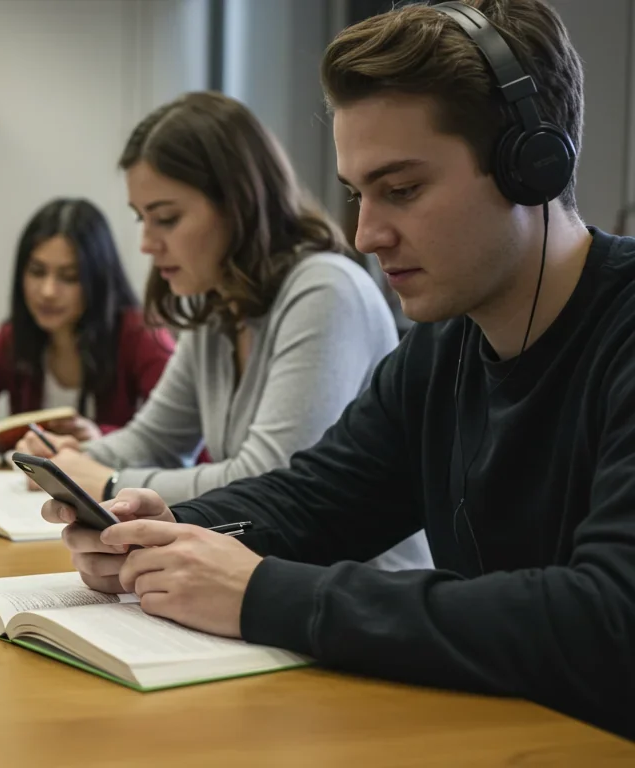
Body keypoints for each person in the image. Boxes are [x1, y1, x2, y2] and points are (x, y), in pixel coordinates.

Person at [45, 0, 635, 739]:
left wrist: (261, 593)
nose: (366, 233)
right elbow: (319, 498)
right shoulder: (442, 347)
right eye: (359, 194)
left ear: (532, 164)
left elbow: (609, 622)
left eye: (404, 189)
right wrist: (164, 533)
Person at [15, 93, 428, 570]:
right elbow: (155, 437)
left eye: (166, 218)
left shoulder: (326, 289)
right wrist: (70, 460)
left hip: (356, 595)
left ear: (239, 205)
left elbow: (268, 478)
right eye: (141, 218)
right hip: (266, 575)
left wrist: (106, 482)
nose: (147, 244)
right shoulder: (216, 303)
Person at [0, 198, 175, 449]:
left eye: (69, 277)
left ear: (97, 281)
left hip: (115, 484)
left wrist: (102, 439)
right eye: (36, 272)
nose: (47, 291)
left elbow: (183, 440)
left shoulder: (141, 336)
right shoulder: (14, 337)